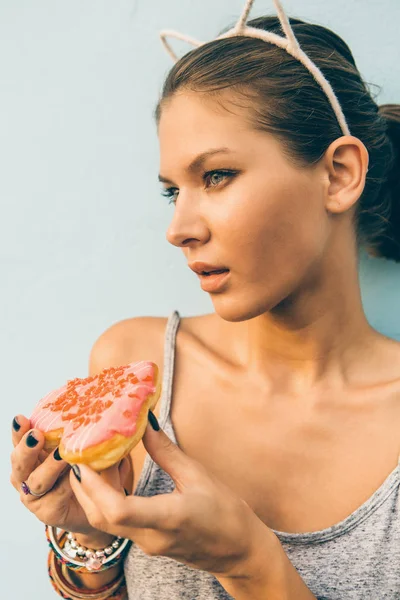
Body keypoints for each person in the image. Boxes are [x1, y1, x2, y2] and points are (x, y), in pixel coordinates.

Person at [10, 0, 400, 598]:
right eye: (174, 192)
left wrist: (249, 563)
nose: (179, 228)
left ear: (340, 173)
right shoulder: (138, 368)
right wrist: (90, 536)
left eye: (216, 176)